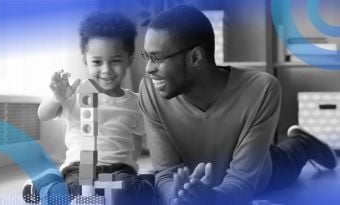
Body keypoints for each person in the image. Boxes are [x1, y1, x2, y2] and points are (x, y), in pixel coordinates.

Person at [138, 5, 338, 205]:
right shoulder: (150, 90)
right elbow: (165, 173)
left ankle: (304, 143)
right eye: (147, 57)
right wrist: (178, 198)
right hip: (195, 186)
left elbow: (242, 182)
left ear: (195, 57)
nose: (148, 69)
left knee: (288, 158)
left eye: (157, 58)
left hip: (260, 175)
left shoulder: (261, 89)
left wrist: (211, 198)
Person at [23, 11, 154, 205]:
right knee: (73, 191)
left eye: (115, 61)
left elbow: (149, 131)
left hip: (119, 170)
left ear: (129, 60)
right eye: (97, 62)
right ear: (85, 60)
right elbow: (43, 114)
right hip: (80, 169)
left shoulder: (134, 102)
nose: (106, 69)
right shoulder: (73, 94)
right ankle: (47, 184)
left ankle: (142, 182)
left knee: (130, 193)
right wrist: (57, 98)